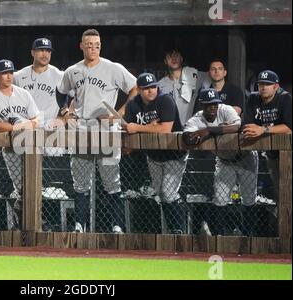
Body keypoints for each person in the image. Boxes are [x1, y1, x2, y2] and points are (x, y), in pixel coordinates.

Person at [57, 28, 137, 233]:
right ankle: (79, 225)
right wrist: (65, 110)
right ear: (81, 46)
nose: (93, 48)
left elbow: (135, 89)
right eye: (89, 45)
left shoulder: (113, 68)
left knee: (112, 181)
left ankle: (117, 225)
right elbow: (60, 92)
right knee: (81, 183)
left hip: (106, 128)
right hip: (82, 127)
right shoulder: (72, 70)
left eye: (97, 45)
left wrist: (119, 113)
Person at [183, 88, 259, 236]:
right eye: (208, 104)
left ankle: (248, 235)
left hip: (246, 157)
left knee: (249, 198)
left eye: (215, 104)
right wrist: (216, 130)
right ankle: (220, 236)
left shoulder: (226, 110)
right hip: (224, 161)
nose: (213, 107)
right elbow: (187, 138)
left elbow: (238, 127)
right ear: (201, 105)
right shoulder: (196, 119)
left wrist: (208, 131)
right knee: (220, 198)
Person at [124, 72, 187, 234]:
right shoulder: (133, 105)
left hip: (174, 153)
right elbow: (129, 131)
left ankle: (179, 229)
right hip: (153, 156)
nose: (151, 91)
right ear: (138, 89)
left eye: (153, 87)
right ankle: (175, 230)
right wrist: (150, 128)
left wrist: (140, 127)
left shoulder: (165, 100)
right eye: (146, 88)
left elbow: (165, 129)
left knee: (168, 192)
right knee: (161, 194)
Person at [0, 59, 40, 230]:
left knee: (35, 186)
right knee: (21, 187)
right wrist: (19, 127)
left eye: (10, 73)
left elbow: (36, 118)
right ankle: (21, 222)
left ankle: (31, 223)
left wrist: (23, 126)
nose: (8, 76)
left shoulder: (24, 93)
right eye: (4, 73)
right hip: (10, 148)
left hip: (30, 147)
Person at [242, 70, 292, 204]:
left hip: (288, 152)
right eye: (260, 84)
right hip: (272, 154)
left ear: (276, 86)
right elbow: (248, 126)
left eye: (267, 84)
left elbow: (288, 127)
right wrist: (260, 130)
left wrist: (263, 129)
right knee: (280, 194)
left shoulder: (285, 98)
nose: (263, 87)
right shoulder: (253, 98)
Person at [13, 38, 66, 129]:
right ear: (33, 52)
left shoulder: (60, 76)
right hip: (25, 129)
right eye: (41, 50)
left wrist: (63, 119)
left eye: (48, 51)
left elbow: (76, 97)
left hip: (51, 129)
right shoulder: (18, 76)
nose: (45, 54)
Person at [158, 48, 210, 126]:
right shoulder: (160, 85)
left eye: (176, 55)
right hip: (171, 130)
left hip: (193, 128)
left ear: (181, 59)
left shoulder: (194, 75)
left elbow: (214, 76)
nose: (174, 58)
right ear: (165, 61)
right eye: (170, 56)